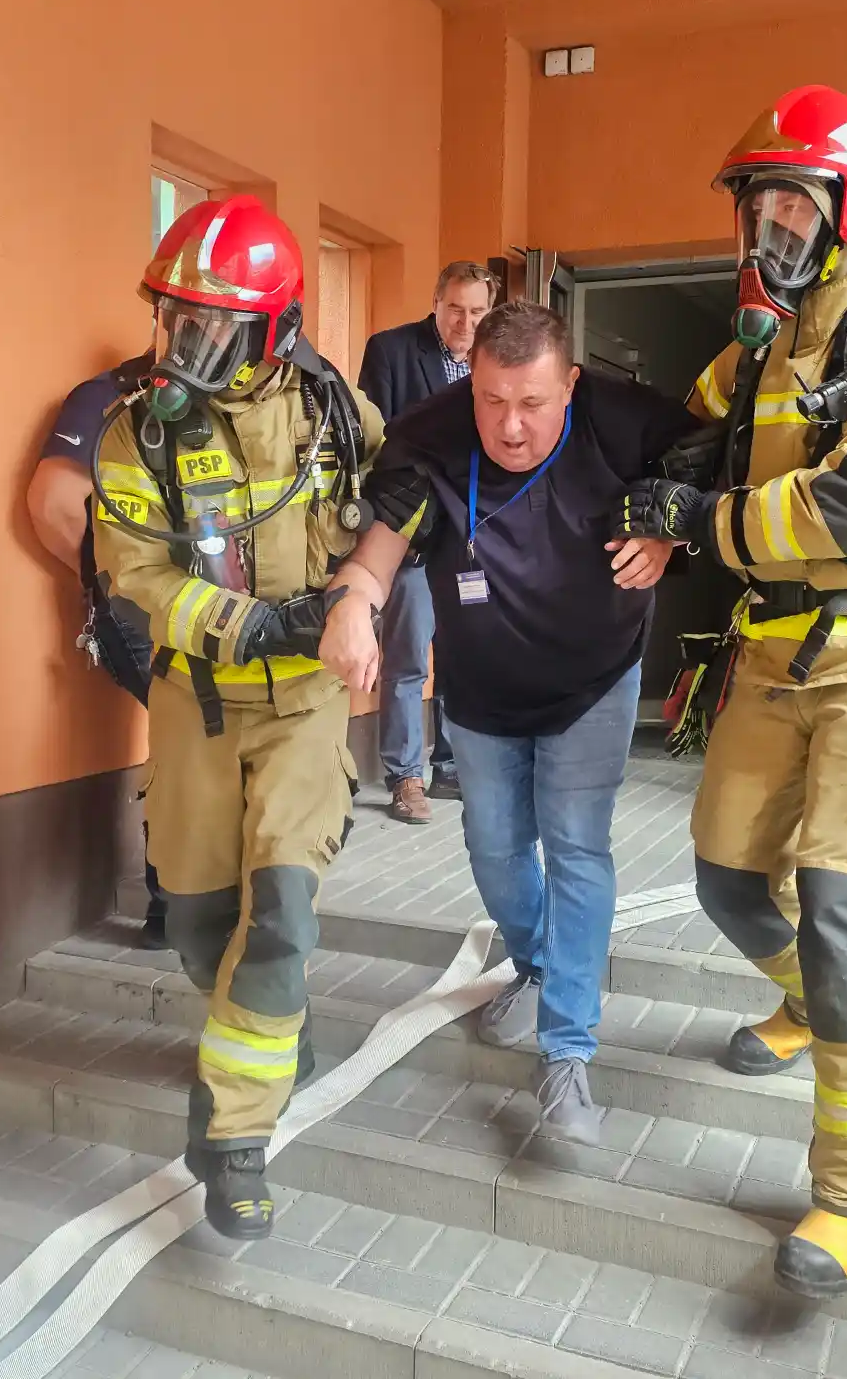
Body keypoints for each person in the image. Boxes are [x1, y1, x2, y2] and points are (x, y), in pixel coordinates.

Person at [612, 85, 847, 1299]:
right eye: (758, 206)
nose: (769, 227)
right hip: (772, 647)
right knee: (727, 878)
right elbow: (680, 431)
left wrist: (701, 522)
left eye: (792, 204)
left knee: (843, 915)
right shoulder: (766, 344)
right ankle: (804, 1005)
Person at [320, 301, 690, 1144]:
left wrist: (669, 534)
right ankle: (539, 964)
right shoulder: (432, 434)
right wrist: (351, 608)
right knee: (493, 849)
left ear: (571, 384)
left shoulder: (624, 421)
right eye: (491, 400)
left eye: (531, 402)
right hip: (482, 692)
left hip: (594, 682)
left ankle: (567, 1052)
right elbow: (376, 553)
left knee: (576, 847)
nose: (510, 426)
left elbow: (710, 466)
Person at [91, 193, 385, 1240]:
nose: (184, 348)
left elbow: (401, 507)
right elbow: (136, 577)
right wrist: (255, 625)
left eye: (211, 329)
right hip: (198, 705)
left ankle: (234, 1138)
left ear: (276, 331)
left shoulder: (337, 419)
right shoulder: (135, 437)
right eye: (175, 321)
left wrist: (360, 596)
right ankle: (270, 1034)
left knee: (281, 919)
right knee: (200, 921)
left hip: (305, 710)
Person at [27, 368, 168, 947]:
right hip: (140, 613)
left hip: (213, 612)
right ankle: (178, 905)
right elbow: (53, 505)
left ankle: (186, 903)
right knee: (196, 735)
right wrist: (111, 582)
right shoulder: (108, 396)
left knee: (204, 738)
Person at [354, 262, 500, 822]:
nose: (466, 323)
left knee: (467, 655)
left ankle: (453, 766)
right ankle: (404, 776)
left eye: (478, 311)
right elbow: (377, 444)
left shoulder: (495, 360)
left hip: (472, 539)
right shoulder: (391, 351)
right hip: (413, 536)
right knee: (409, 658)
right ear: (436, 301)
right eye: (455, 309)